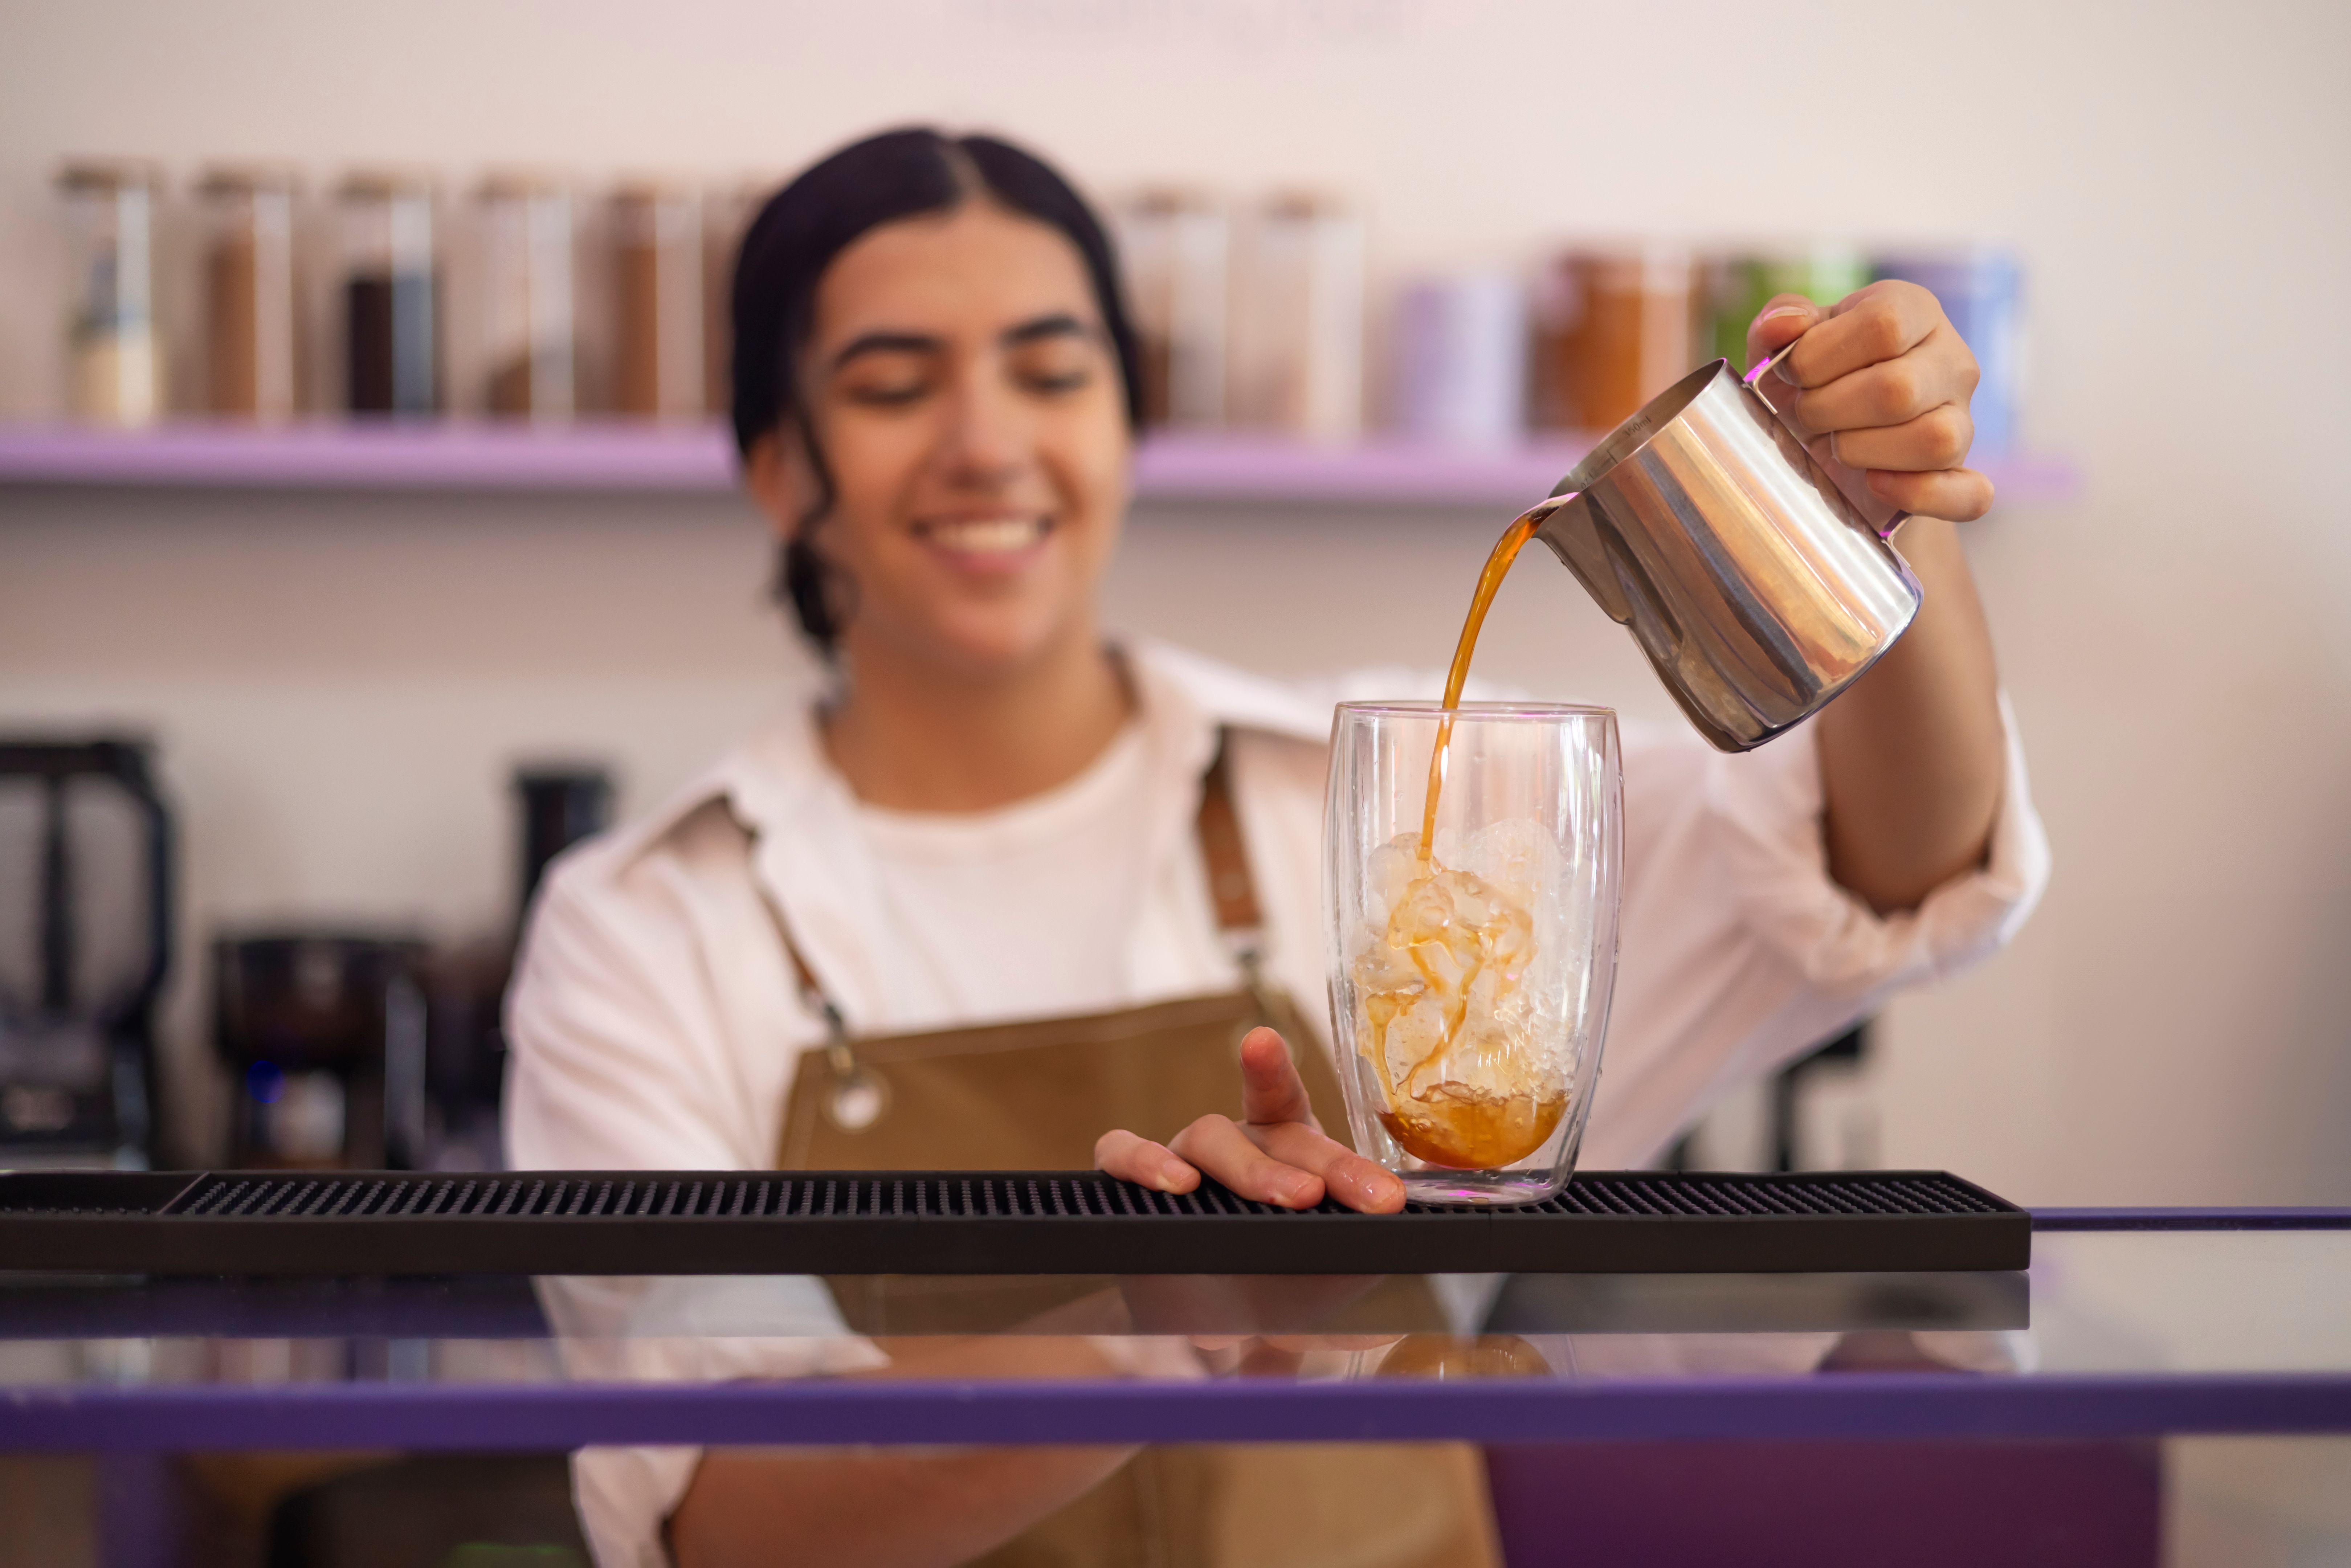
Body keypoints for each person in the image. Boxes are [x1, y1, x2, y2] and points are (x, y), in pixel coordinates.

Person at [505, 127, 2049, 1568]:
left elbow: (1890, 864)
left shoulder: (1378, 800)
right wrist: (1140, 1334)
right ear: (781, 467)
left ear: (1126, 424)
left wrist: (1880, 513)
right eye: (895, 385)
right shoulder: (646, 927)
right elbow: (718, 1510)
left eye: (1051, 372)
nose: (985, 444)